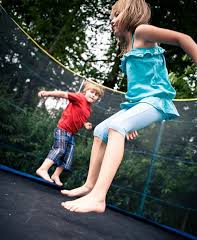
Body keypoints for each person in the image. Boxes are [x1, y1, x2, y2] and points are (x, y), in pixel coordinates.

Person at [61, 0, 197, 212]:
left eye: (116, 15)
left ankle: (98, 197)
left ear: (131, 14)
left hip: (157, 101)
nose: (112, 21)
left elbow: (183, 38)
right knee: (100, 131)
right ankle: (89, 185)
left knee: (117, 128)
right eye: (111, 17)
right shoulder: (127, 49)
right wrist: (132, 118)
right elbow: (139, 89)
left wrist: (126, 123)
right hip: (140, 104)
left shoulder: (142, 33)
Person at [36, 81, 104, 186]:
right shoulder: (79, 97)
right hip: (63, 129)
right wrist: (47, 93)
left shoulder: (89, 108)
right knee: (60, 149)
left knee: (68, 156)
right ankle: (42, 169)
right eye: (92, 92)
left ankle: (55, 175)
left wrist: (85, 124)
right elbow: (63, 94)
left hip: (71, 133)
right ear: (85, 91)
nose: (93, 95)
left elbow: (79, 118)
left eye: (96, 95)